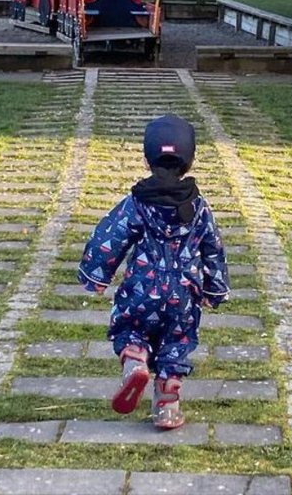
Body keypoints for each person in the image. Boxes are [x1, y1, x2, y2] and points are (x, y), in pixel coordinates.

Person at [78, 113, 229, 430]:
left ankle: (134, 359)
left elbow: (110, 237)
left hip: (141, 289)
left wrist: (96, 276)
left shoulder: (137, 201)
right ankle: (167, 405)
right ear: (189, 161)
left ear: (147, 160)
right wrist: (215, 288)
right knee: (177, 343)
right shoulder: (198, 206)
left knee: (129, 328)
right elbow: (213, 247)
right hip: (184, 295)